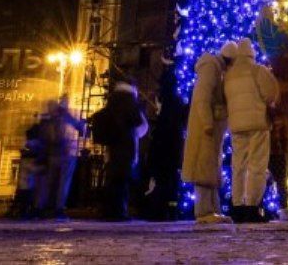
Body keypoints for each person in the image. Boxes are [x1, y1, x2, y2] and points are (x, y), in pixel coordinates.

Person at [223, 39, 279, 223]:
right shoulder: (257, 70)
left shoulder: (229, 75)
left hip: (237, 125)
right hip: (257, 124)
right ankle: (252, 206)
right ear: (252, 54)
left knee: (238, 165)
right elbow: (272, 93)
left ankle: (237, 205)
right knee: (257, 165)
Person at [182, 42, 234, 224]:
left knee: (211, 168)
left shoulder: (215, 69)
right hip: (206, 129)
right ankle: (204, 211)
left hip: (211, 127)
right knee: (204, 168)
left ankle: (212, 209)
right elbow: (202, 98)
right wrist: (207, 123)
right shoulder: (210, 68)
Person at [90, 80, 149, 221]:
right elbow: (140, 124)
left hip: (113, 146)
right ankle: (119, 211)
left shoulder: (113, 101)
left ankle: (109, 210)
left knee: (112, 180)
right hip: (127, 146)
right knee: (122, 181)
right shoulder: (131, 103)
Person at [143, 60, 189, 221]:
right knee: (169, 180)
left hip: (161, 144)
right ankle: (168, 211)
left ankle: (158, 209)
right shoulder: (175, 101)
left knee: (161, 179)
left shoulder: (163, 99)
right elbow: (182, 119)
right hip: (171, 145)